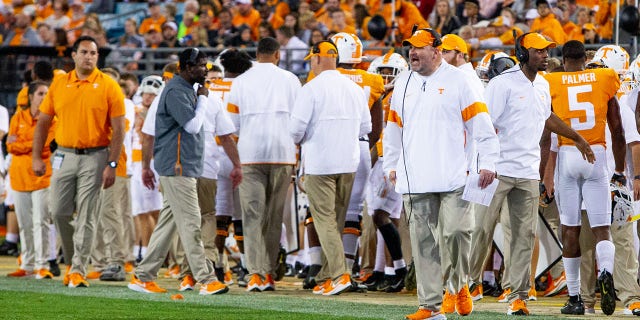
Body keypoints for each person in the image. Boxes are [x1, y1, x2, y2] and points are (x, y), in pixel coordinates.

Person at [383, 28, 498, 320]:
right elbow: (394, 128)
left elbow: (481, 125)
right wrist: (390, 164)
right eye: (410, 47)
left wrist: (488, 162)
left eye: (420, 48)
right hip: (415, 176)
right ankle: (431, 305)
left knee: (458, 232)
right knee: (423, 244)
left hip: (454, 174)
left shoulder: (460, 80)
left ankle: (458, 285)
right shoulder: (403, 82)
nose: (413, 52)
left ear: (437, 50)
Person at [483, 33, 595, 315]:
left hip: (527, 171)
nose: (546, 56)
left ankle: (518, 295)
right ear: (522, 54)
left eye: (547, 51)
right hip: (497, 169)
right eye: (540, 51)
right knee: (478, 232)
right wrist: (481, 163)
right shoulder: (501, 84)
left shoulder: (543, 84)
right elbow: (485, 127)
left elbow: (547, 117)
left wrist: (577, 138)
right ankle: (460, 286)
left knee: (524, 236)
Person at [128, 47, 241, 295]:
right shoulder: (177, 90)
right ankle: (205, 278)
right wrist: (202, 99)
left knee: (168, 224)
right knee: (192, 222)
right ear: (187, 67)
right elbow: (191, 125)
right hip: (177, 167)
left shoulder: (184, 89)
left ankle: (143, 276)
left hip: (183, 166)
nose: (206, 69)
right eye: (201, 65)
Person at [32, 35, 126, 288]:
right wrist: (36, 155)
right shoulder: (60, 84)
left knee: (87, 214)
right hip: (63, 154)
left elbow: (119, 130)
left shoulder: (108, 85)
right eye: (84, 52)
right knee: (58, 211)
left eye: (93, 53)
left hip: (96, 156)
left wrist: (112, 164)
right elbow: (43, 122)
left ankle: (77, 269)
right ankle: (76, 261)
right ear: (73, 55)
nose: (89, 57)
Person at [542, 40, 624, 316]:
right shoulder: (604, 77)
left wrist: (545, 175)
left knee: (570, 228)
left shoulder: (551, 81)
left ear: (564, 60)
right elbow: (618, 130)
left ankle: (575, 296)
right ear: (584, 59)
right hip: (597, 153)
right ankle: (606, 272)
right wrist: (620, 171)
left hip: (568, 153)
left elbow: (545, 134)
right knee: (602, 228)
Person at [290, 40, 371, 296]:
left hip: (320, 163)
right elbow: (365, 129)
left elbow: (294, 131)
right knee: (335, 221)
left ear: (316, 59)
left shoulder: (311, 89)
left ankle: (339, 274)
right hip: (348, 162)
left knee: (324, 221)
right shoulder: (354, 89)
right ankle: (327, 274)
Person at [226, 37, 300, 292]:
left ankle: (255, 273)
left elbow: (231, 125)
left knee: (252, 216)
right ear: (278, 54)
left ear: (257, 54)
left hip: (249, 155)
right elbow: (300, 121)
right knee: (274, 216)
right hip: (283, 154)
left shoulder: (241, 81)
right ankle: (268, 273)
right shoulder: (291, 80)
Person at [6, 81, 56, 279]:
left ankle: (42, 265)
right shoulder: (18, 117)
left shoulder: (52, 119)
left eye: (46, 93)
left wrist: (23, 144)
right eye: (40, 93)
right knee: (25, 223)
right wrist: (33, 143)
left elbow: (46, 145)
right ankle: (27, 264)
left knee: (41, 221)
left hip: (42, 176)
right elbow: (10, 145)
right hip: (19, 176)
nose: (44, 97)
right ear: (31, 96)